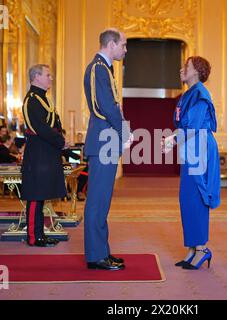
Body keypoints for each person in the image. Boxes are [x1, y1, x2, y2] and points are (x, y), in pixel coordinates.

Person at [83, 29, 132, 270]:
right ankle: (95, 256)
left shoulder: (104, 70)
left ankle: (102, 251)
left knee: (102, 201)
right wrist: (125, 132)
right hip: (103, 141)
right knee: (97, 201)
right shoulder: (98, 69)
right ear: (111, 44)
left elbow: (112, 106)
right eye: (123, 45)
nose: (125, 49)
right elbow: (106, 108)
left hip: (106, 141)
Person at [168, 56, 220, 270]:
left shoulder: (200, 94)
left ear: (196, 72)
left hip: (200, 149)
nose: (181, 69)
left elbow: (195, 125)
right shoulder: (188, 94)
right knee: (187, 198)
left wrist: (172, 140)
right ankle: (191, 248)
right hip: (190, 148)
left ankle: (202, 249)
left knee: (197, 198)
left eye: (186, 67)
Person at [21, 64, 67, 246]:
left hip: (47, 152)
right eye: (48, 75)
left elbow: (54, 123)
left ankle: (40, 234)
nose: (51, 78)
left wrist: (60, 138)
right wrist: (60, 141)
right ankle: (34, 236)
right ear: (36, 77)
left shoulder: (44, 99)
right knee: (35, 195)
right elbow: (40, 128)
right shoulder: (31, 100)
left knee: (41, 195)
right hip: (38, 153)